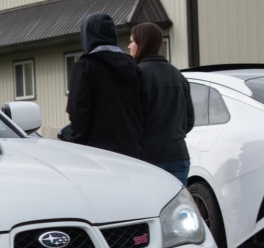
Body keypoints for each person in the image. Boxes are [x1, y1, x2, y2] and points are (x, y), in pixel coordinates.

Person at [65, 11, 143, 158]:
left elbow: (78, 112)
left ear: (87, 36)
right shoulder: (133, 66)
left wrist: (76, 145)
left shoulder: (85, 67)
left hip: (97, 154)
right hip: (132, 153)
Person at [128, 22, 194, 185]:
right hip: (178, 156)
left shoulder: (136, 76)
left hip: (148, 159)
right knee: (173, 207)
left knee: (147, 208)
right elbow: (189, 121)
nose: (129, 46)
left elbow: (131, 122)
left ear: (142, 43)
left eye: (132, 41)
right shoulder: (177, 75)